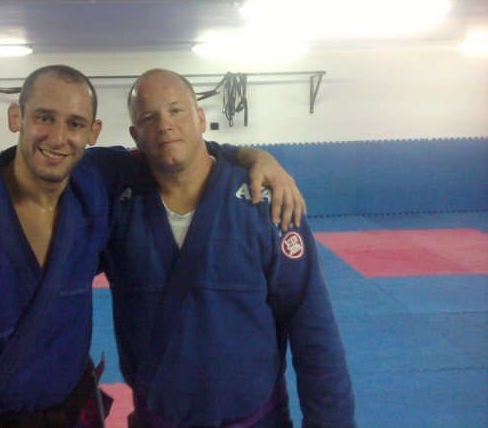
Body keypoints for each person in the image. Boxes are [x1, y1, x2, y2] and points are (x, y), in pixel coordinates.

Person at [0, 64, 306, 428]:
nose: (58, 137)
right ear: (16, 117)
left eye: (75, 124)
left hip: (77, 415)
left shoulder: (97, 181)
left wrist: (251, 156)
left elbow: (179, 150)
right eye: (44, 117)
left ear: (93, 133)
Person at [101, 69, 356, 428]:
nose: (164, 125)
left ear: (200, 118)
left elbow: (314, 331)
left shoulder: (265, 205)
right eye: (148, 118)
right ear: (135, 136)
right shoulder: (116, 211)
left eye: (176, 110)